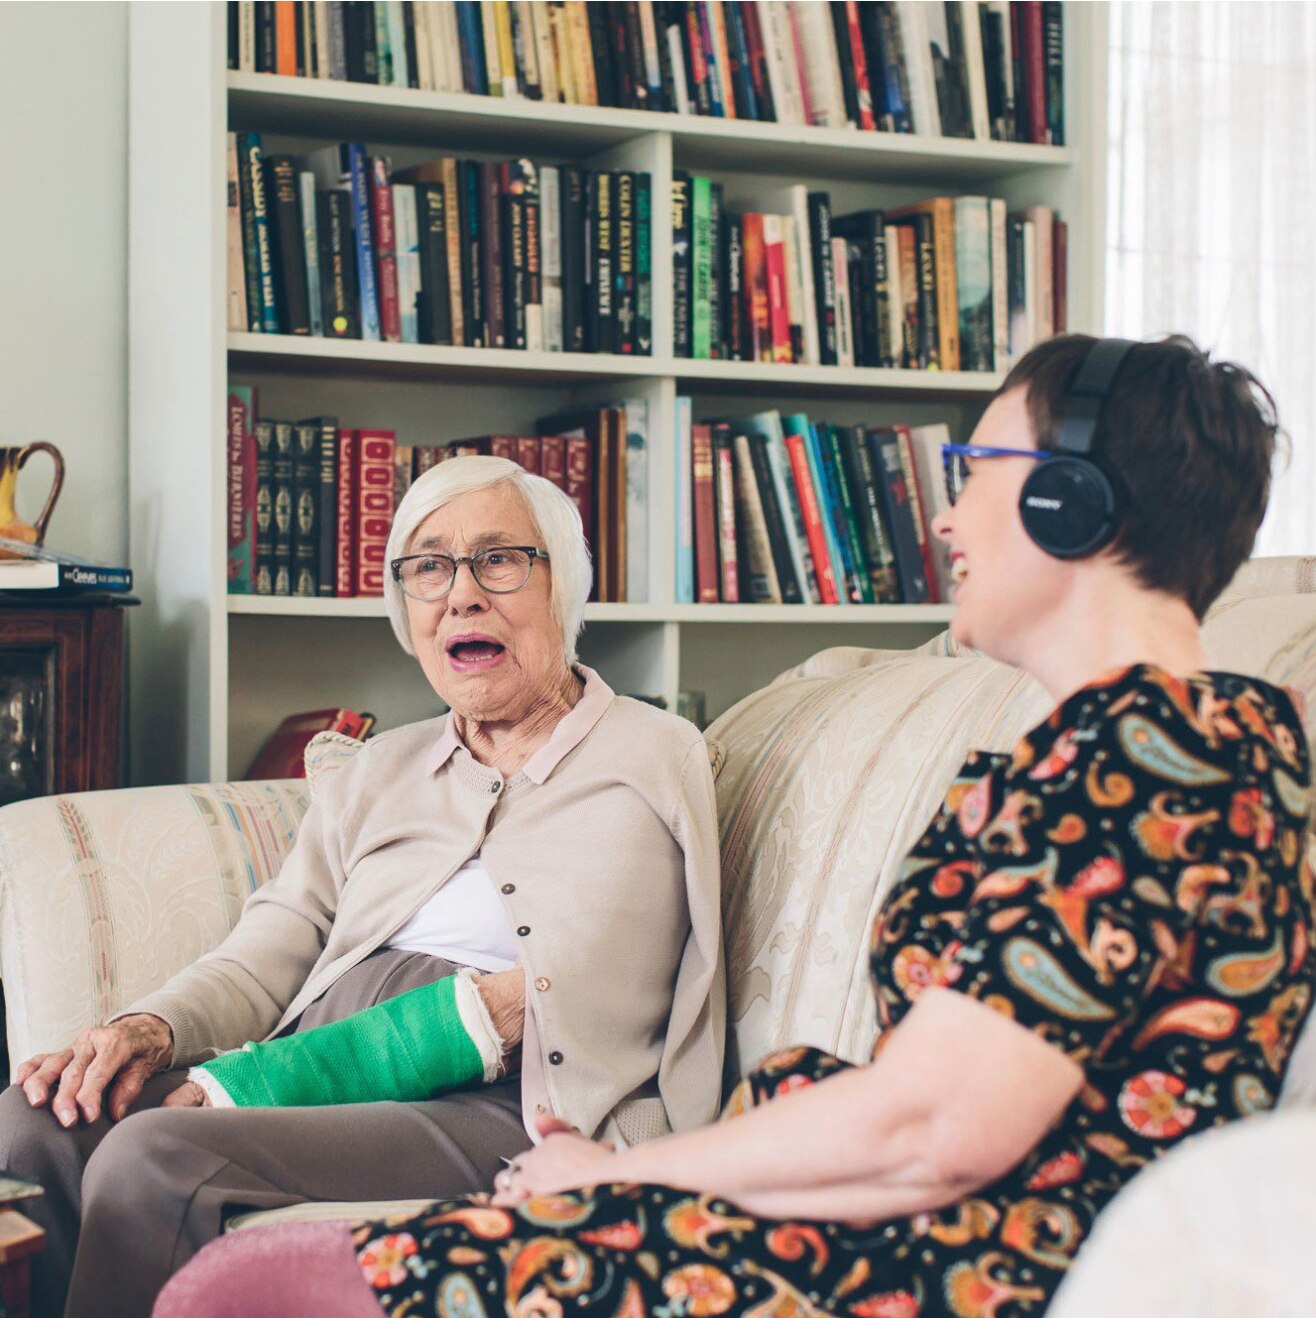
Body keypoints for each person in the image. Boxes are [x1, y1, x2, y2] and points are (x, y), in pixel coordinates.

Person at [155, 334, 1314, 1318]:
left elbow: (933, 1128)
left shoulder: (1158, 755)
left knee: (253, 1291)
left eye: (973, 466)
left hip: (943, 1268)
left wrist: (626, 1180)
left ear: (1069, 501)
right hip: (890, 1225)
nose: (946, 512)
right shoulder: (1113, 749)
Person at [0, 456, 725, 1318]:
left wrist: (257, 1084)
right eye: (428, 567)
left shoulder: (649, 756)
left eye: (498, 559)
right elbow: (276, 940)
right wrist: (147, 1030)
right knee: (41, 1115)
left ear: (561, 586)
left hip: (504, 1100)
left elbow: (552, 994)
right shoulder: (385, 767)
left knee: (154, 1156)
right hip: (329, 1057)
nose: (460, 595)